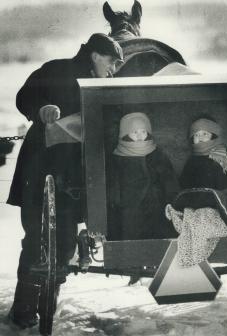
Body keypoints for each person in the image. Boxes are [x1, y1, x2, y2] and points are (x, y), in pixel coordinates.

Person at [7, 33, 124, 329]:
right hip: (40, 168)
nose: (113, 70)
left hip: (73, 179)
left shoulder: (104, 86)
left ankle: (47, 306)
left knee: (65, 243)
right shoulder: (55, 69)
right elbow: (25, 97)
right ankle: (22, 309)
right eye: (111, 62)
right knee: (35, 238)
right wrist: (41, 109)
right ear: (95, 55)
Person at [108, 112, 179, 241]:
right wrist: (117, 202)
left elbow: (169, 180)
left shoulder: (157, 153)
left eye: (143, 132)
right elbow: (113, 185)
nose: (140, 136)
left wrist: (171, 199)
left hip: (157, 205)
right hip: (130, 208)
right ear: (125, 134)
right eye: (135, 132)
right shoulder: (118, 157)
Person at [180, 116, 227, 190]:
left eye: (205, 134)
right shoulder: (192, 160)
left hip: (223, 198)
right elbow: (184, 185)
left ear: (213, 135)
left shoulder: (224, 156)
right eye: (196, 135)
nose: (200, 137)